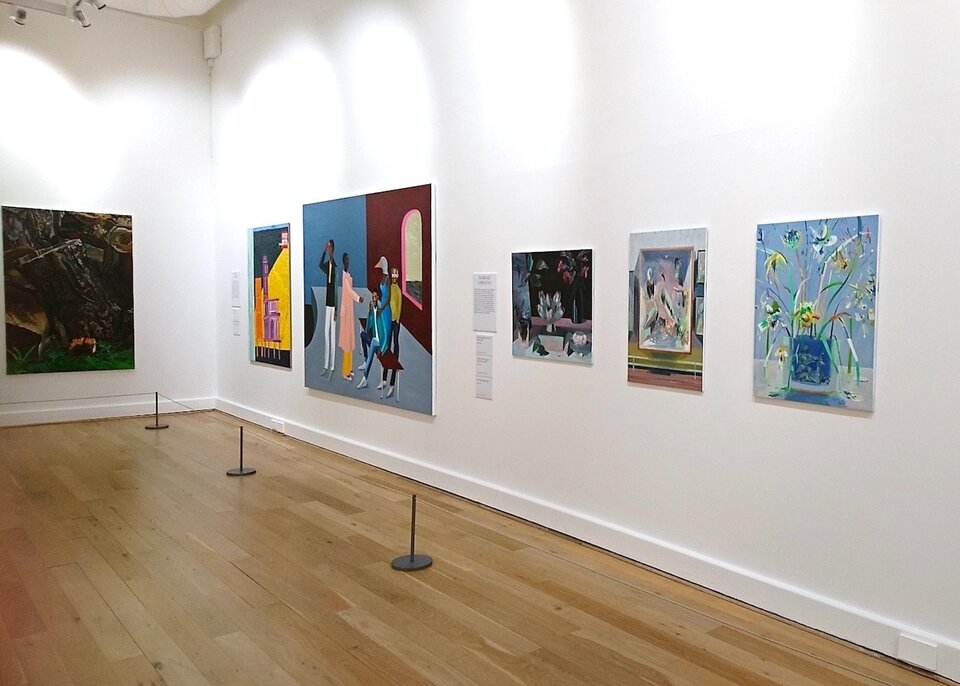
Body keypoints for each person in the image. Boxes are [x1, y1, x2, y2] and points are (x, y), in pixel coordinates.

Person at [337, 252, 362, 380]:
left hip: (349, 310)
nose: (348, 262)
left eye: (348, 260)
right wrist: (358, 298)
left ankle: (350, 368)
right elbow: (349, 291)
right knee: (347, 342)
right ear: (343, 261)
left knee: (350, 341)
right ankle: (345, 371)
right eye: (346, 260)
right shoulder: (344, 276)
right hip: (346, 311)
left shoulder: (347, 275)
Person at [372, 256, 393, 389]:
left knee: (386, 329)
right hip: (381, 307)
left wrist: (382, 308)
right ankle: (381, 347)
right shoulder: (383, 277)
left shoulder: (388, 279)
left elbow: (388, 298)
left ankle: (384, 349)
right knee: (381, 328)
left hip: (386, 309)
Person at [382, 265, 402, 397]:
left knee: (395, 343)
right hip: (389, 319)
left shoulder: (398, 290)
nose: (394, 275)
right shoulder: (389, 288)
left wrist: (398, 319)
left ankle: (392, 379)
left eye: (396, 273)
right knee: (387, 344)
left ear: (398, 275)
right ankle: (384, 377)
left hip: (396, 321)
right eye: (393, 273)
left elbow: (399, 305)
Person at [356, 290, 383, 389]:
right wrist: (369, 311)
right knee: (363, 335)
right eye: (372, 297)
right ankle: (365, 361)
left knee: (371, 355)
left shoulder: (381, 311)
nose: (373, 299)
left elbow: (384, 331)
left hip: (380, 341)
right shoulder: (373, 310)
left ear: (378, 298)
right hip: (374, 339)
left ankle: (364, 378)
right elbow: (368, 327)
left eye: (375, 297)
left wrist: (382, 347)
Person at [319, 239, 338, 377]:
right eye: (328, 247)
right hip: (327, 304)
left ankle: (332, 367)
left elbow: (336, 289)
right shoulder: (327, 266)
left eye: (330, 247)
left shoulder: (335, 267)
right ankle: (325, 366)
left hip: (333, 306)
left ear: (333, 249)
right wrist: (323, 252)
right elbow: (320, 264)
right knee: (326, 334)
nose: (329, 249)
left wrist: (336, 308)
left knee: (332, 336)